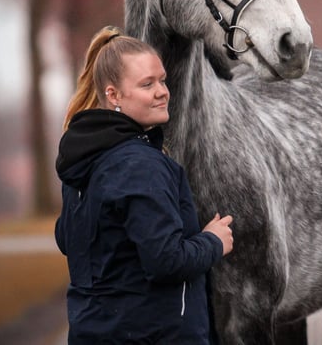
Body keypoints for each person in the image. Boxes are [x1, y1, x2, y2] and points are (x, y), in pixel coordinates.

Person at [54, 26, 234, 344]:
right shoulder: (140, 165)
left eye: (162, 80)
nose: (162, 91)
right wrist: (213, 241)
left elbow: (68, 240)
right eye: (146, 84)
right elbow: (166, 260)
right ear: (113, 95)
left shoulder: (83, 162)